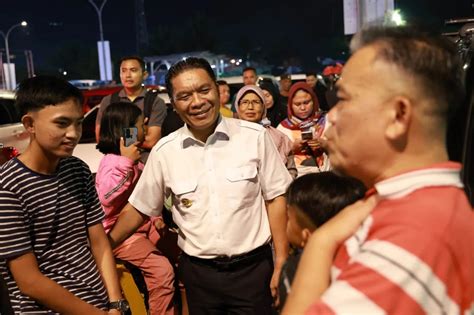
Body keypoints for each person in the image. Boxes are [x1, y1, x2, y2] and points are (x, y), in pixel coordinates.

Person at [283, 26, 474, 314]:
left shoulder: (415, 235)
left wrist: (321, 242)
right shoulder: (405, 205)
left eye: (344, 100)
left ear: (398, 115)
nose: (332, 117)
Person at [108, 57, 292, 315]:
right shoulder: (165, 151)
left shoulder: (255, 138)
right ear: (173, 102)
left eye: (204, 90)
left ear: (217, 90)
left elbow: (275, 199)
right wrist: (104, 245)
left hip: (254, 272)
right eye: (184, 96)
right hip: (199, 276)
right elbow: (139, 208)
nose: (197, 102)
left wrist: (282, 259)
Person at [0, 75, 125, 314]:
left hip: (102, 304)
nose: (73, 133)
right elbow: (29, 281)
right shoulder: (8, 187)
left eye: (78, 123)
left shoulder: (77, 169)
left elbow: (99, 243)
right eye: (62, 123)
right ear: (29, 124)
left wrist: (116, 303)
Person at [95, 102, 175, 315]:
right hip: (120, 234)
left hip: (141, 227)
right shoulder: (113, 163)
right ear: (127, 130)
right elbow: (107, 197)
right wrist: (126, 164)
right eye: (141, 124)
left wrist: (156, 216)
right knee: (162, 271)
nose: (146, 126)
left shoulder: (133, 161)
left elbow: (145, 196)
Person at [279, 172, 366, 308]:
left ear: (306, 236)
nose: (286, 223)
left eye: (289, 218)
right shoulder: (361, 261)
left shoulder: (294, 272)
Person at [95, 55, 167, 162]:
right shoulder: (109, 101)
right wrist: (142, 130)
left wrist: (118, 133)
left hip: (145, 164)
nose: (128, 75)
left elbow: (152, 141)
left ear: (144, 75)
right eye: (123, 71)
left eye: (133, 70)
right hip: (115, 164)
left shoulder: (155, 102)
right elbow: (100, 138)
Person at [235, 85, 297, 178]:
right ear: (237, 106)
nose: (250, 107)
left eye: (256, 102)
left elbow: (291, 170)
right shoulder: (229, 136)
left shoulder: (280, 138)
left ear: (263, 106)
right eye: (245, 102)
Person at [277, 82, 331, 176]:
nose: (302, 108)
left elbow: (345, 148)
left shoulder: (328, 121)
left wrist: (324, 144)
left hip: (329, 178)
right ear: (290, 105)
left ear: (314, 101)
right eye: (297, 104)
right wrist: (292, 148)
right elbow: (276, 158)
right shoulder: (282, 128)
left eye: (306, 102)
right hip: (299, 182)